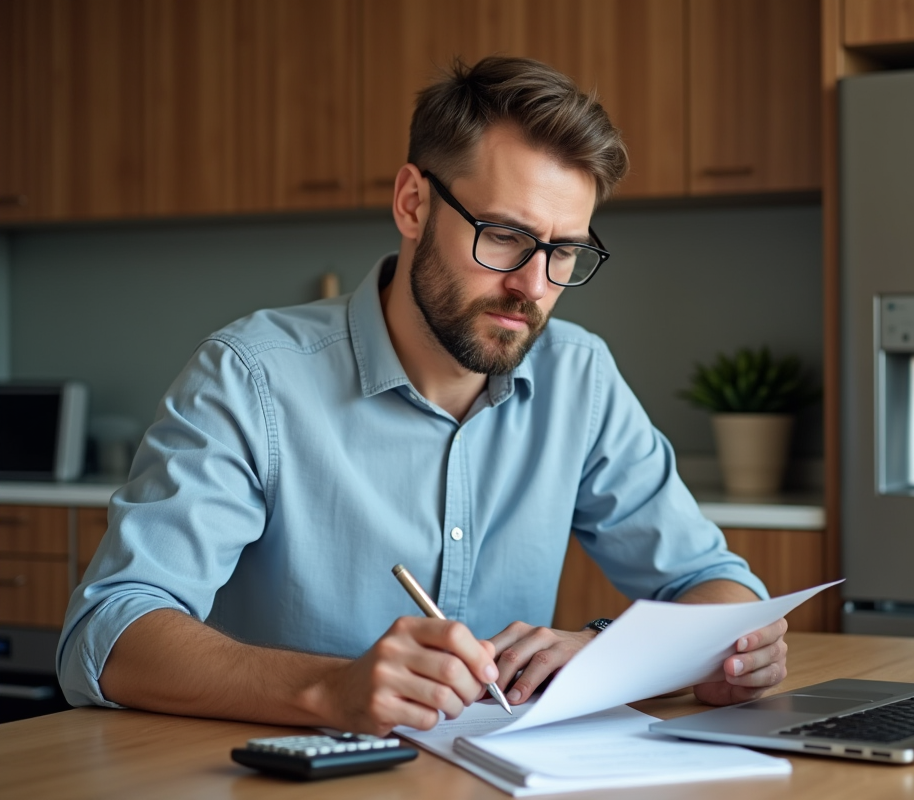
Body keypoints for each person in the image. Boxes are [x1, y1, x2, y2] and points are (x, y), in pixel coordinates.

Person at [57, 56, 788, 735]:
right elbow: (110, 632)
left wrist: (609, 651)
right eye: (504, 236)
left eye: (563, 252)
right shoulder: (252, 377)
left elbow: (717, 586)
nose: (533, 287)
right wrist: (330, 689)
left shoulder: (579, 377)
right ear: (412, 204)